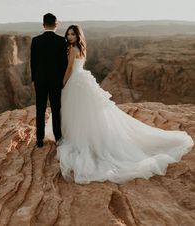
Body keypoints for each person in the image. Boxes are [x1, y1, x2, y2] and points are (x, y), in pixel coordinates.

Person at [56, 24, 194, 184]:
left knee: (77, 111)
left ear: (77, 35)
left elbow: (69, 68)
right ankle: (90, 138)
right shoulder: (80, 49)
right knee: (86, 111)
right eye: (68, 34)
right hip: (82, 80)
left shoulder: (73, 50)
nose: (70, 36)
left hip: (75, 81)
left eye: (72, 34)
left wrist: (63, 82)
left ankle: (81, 139)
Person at [30, 13, 67, 147]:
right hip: (56, 81)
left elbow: (33, 62)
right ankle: (58, 138)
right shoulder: (61, 41)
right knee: (55, 109)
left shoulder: (35, 40)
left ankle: (39, 139)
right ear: (56, 24)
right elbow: (64, 63)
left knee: (40, 109)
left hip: (40, 79)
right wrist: (63, 80)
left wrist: (33, 79)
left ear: (43, 24)